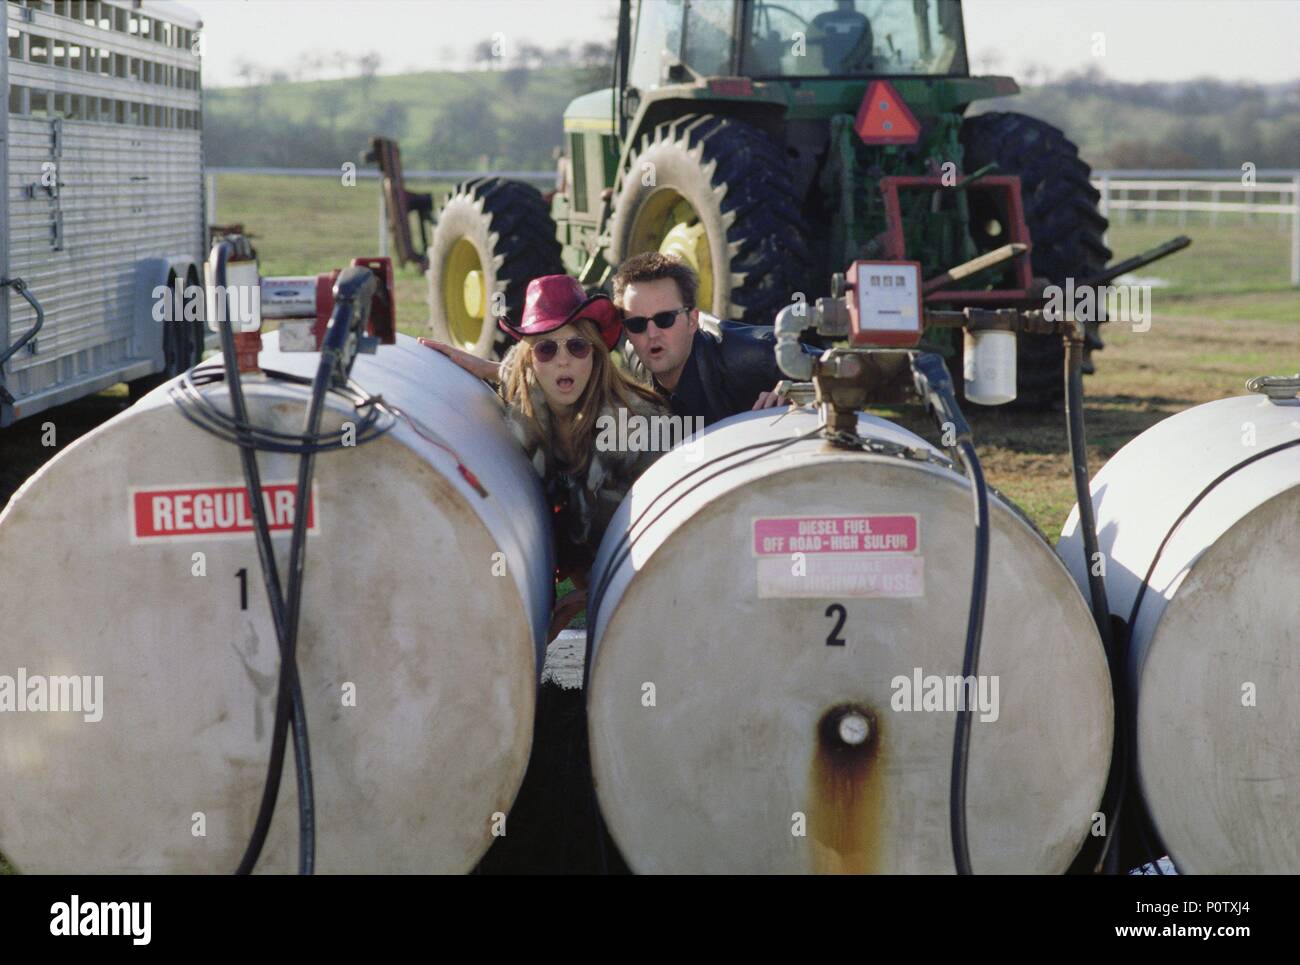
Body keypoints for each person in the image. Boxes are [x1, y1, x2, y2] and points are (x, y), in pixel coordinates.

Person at [421, 275, 668, 595]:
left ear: (595, 357)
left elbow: (664, 540)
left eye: (578, 346)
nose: (562, 360)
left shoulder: (640, 429)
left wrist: (585, 598)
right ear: (529, 360)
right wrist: (483, 369)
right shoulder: (528, 409)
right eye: (546, 349)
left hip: (646, 584)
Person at [612, 251, 821, 426]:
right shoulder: (634, 363)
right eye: (637, 324)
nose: (652, 334)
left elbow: (846, 371)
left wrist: (800, 394)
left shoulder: (757, 357)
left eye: (665, 319)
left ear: (692, 320)